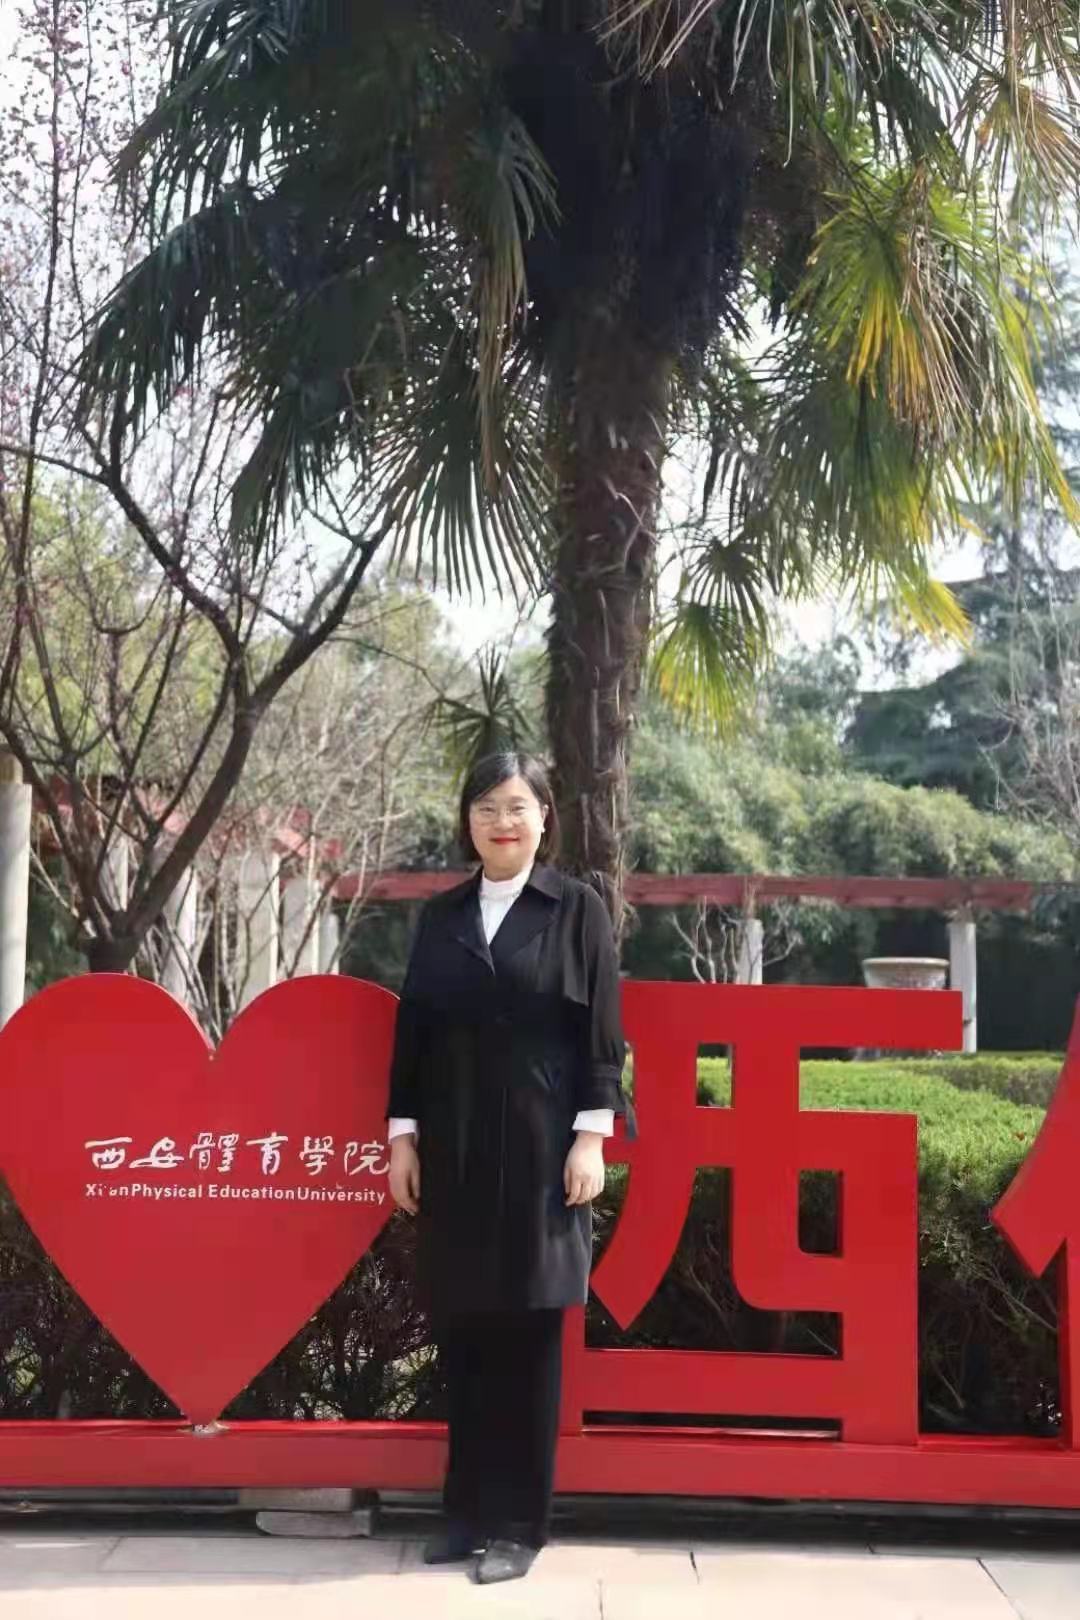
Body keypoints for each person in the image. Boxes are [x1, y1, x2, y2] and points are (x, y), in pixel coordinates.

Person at [385, 750, 630, 1585]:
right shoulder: (443, 915)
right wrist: (403, 1136)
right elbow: (414, 1031)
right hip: (453, 1146)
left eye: (518, 806)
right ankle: (465, 1513)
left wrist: (591, 1136)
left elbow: (602, 1031)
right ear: (468, 820)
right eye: (487, 807)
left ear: (544, 818)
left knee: (527, 1338)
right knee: (463, 1333)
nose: (502, 822)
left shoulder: (576, 909)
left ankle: (520, 1526)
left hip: (541, 1150)